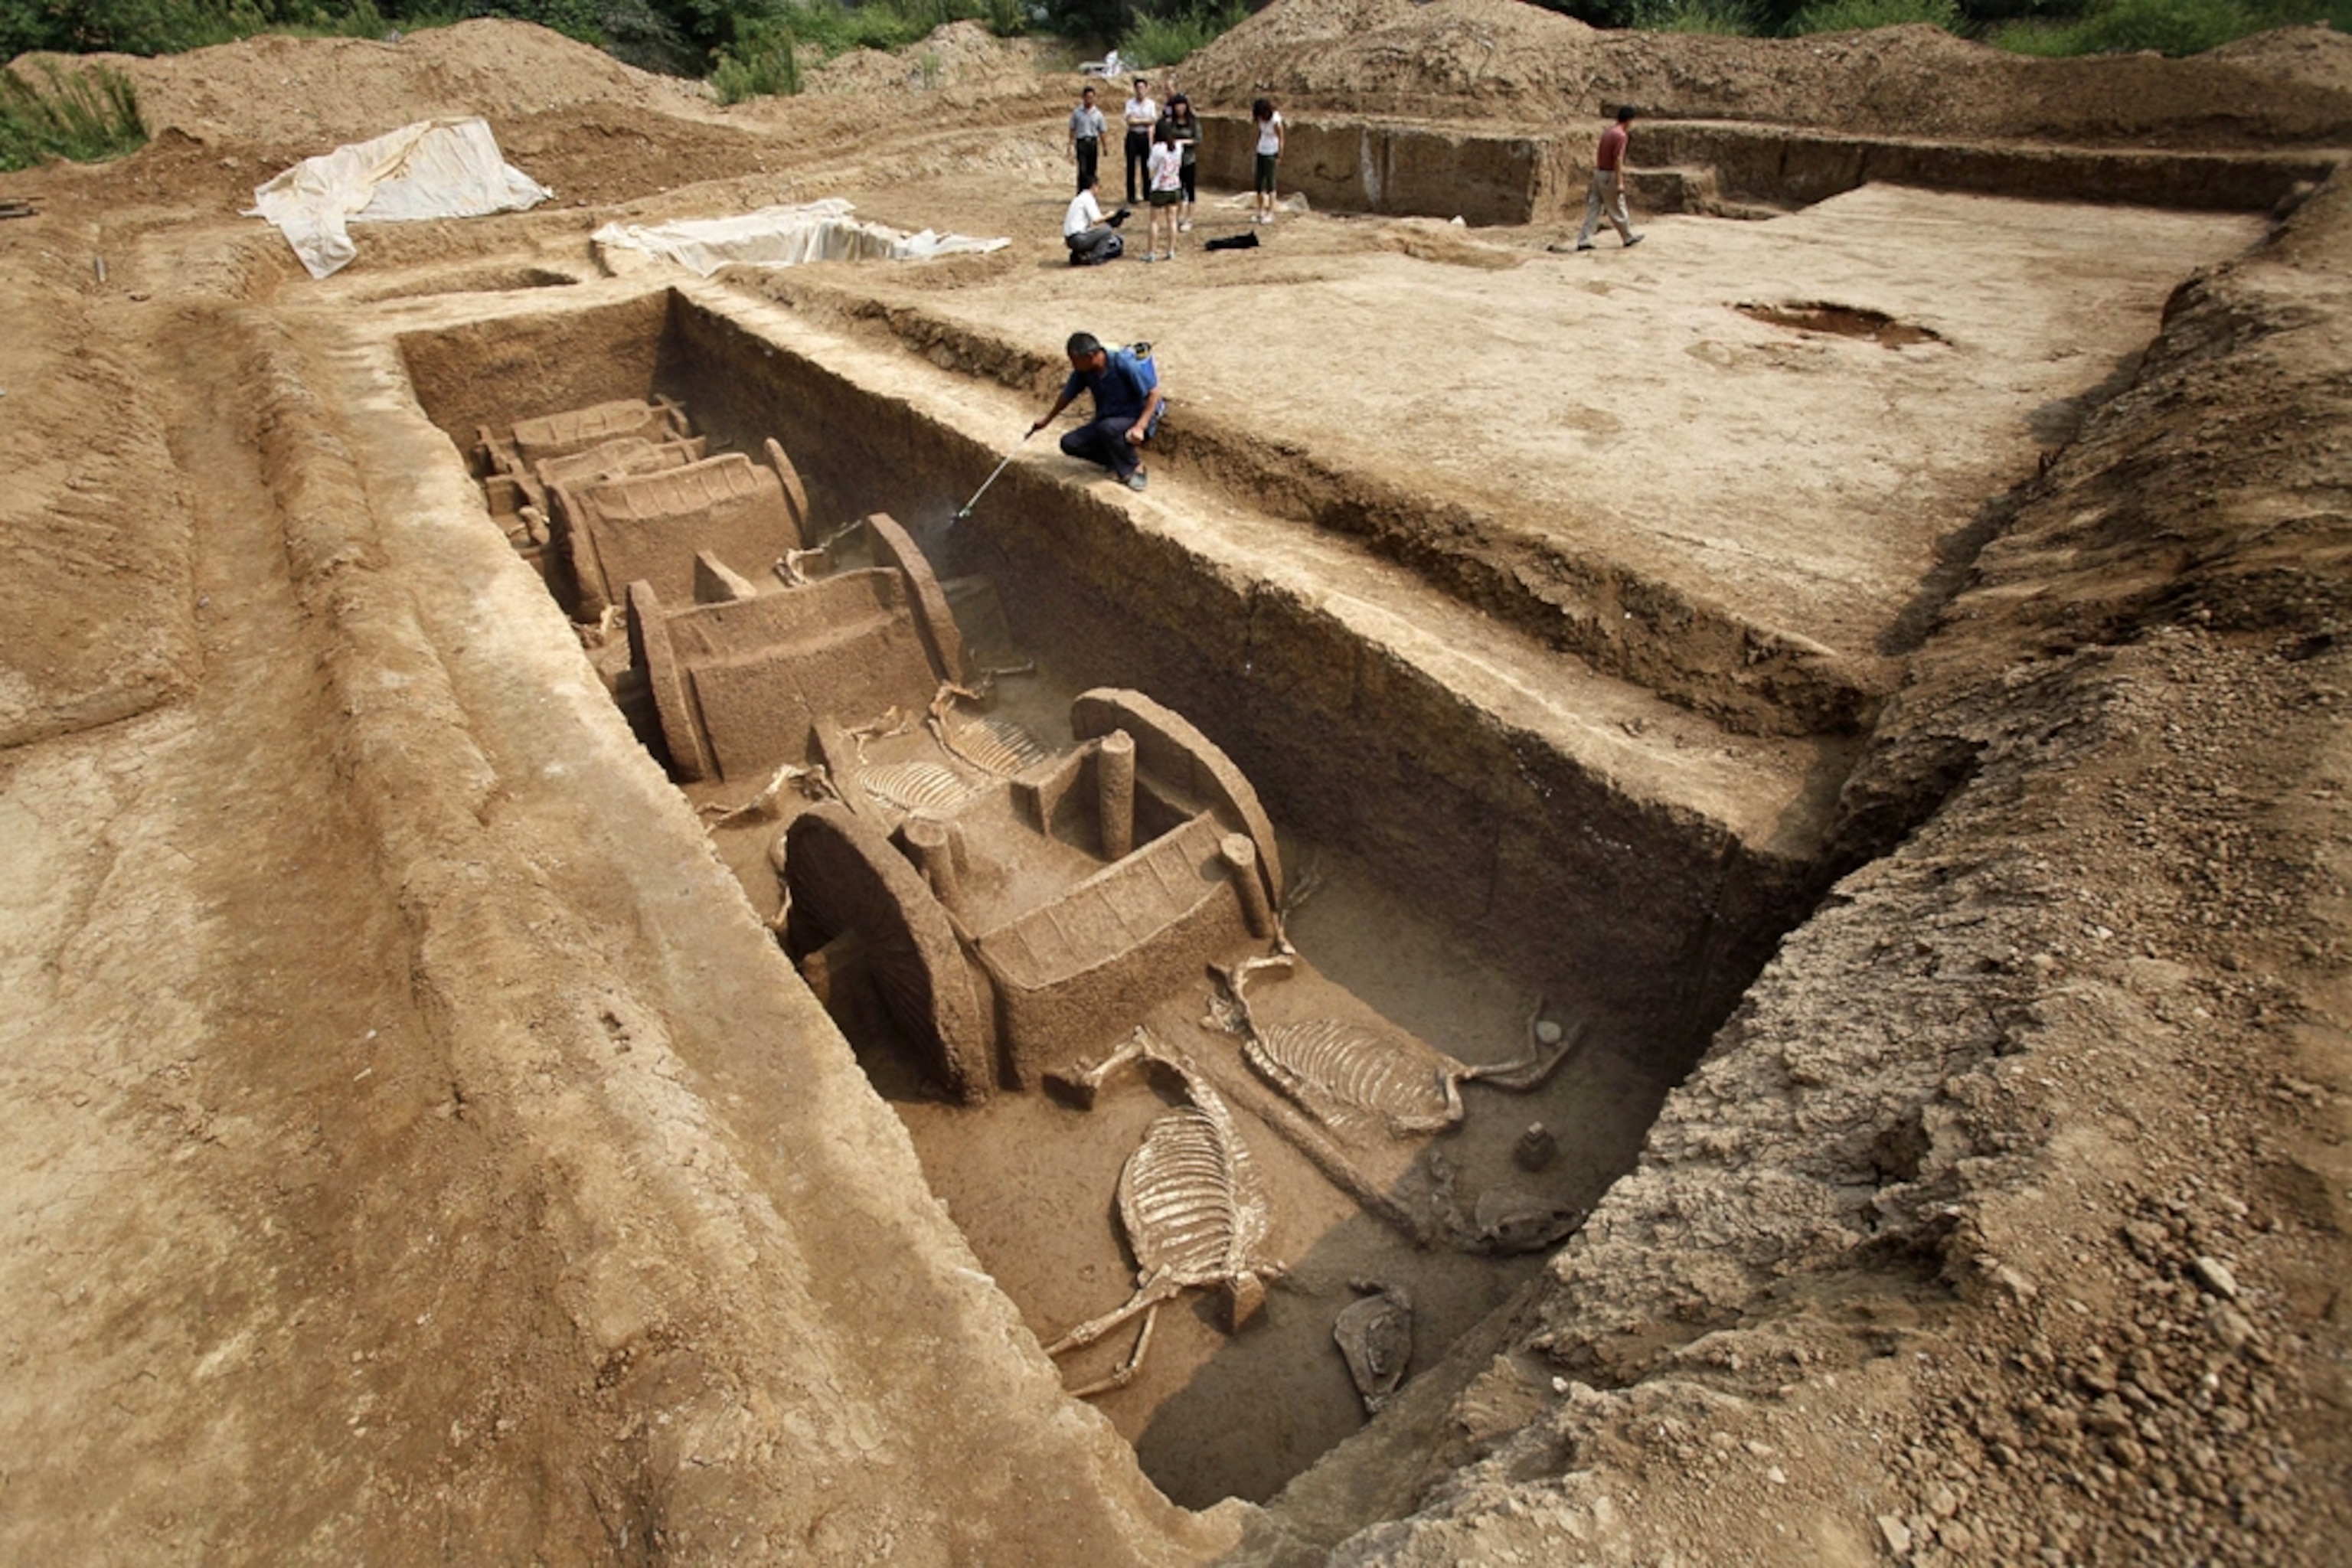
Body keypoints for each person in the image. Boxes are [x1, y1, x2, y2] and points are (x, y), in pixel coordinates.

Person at [1031, 332, 1164, 492]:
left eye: (1075, 360)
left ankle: (1134, 467)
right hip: (1108, 421)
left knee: (1107, 427)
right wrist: (1047, 420)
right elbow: (1067, 395)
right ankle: (1115, 460)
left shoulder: (1123, 363)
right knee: (1070, 443)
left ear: (1091, 356)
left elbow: (1154, 394)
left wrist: (1141, 427)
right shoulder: (1084, 371)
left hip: (1135, 417)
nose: (1073, 365)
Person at [1573, 106, 1645, 251]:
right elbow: (1617, 159)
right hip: (1609, 174)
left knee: (1594, 208)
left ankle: (1584, 239)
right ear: (1629, 120)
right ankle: (1628, 237)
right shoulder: (1621, 136)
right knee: (1618, 206)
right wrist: (1619, 182)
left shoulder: (1608, 133)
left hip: (1599, 173)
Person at [1063, 175, 1128, 266]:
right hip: (1078, 239)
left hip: (1070, 239)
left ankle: (1078, 254)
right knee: (1107, 231)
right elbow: (1096, 220)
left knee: (1097, 233)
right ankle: (1096, 258)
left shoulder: (1079, 198)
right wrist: (1109, 215)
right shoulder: (1088, 198)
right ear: (1093, 186)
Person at [1142, 122, 1184, 262]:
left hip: (1159, 188)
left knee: (1154, 221)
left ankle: (1151, 252)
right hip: (1174, 186)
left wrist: (1149, 141)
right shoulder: (1178, 146)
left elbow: (1150, 167)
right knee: (1172, 220)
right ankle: (1171, 250)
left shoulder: (1157, 149)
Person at [1158, 93, 1200, 233]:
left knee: (1190, 189)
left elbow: (1198, 139)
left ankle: (1190, 218)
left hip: (1189, 159)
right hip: (1175, 161)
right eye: (1177, 106)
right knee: (1178, 189)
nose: (1179, 108)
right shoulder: (1172, 123)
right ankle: (1179, 216)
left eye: (1182, 105)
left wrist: (1183, 142)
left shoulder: (1193, 122)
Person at [1121, 76, 1158, 206]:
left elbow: (1153, 120)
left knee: (1146, 167)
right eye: (1138, 88)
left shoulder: (1151, 104)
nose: (1140, 91)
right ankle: (1131, 195)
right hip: (1132, 136)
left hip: (1145, 137)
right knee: (1131, 167)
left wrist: (1138, 120)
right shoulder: (1129, 103)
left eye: (1142, 88)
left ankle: (1147, 194)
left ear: (1147, 89)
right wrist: (1144, 120)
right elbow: (1129, 120)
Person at [1250, 96, 1284, 224]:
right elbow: (1260, 133)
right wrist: (1256, 147)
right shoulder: (1260, 120)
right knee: (1259, 184)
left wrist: (1279, 155)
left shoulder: (1275, 120)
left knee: (1270, 184)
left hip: (1271, 153)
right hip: (1261, 151)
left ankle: (1271, 212)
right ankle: (1260, 210)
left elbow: (1281, 139)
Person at [1068, 85, 1106, 196]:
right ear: (1083, 98)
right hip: (1081, 142)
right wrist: (1070, 144)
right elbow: (1072, 128)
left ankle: (1091, 192)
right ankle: (1080, 192)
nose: (1089, 99)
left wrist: (1105, 146)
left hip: (1093, 143)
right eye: (1087, 97)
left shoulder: (1098, 114)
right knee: (1082, 169)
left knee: (1092, 169)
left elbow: (1102, 131)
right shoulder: (1077, 113)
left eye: (1092, 97)